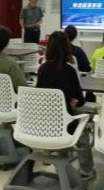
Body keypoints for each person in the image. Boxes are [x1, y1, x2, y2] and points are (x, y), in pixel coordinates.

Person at [36, 30, 93, 178]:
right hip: (65, 122)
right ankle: (86, 171)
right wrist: (71, 101)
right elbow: (80, 100)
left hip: (43, 122)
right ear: (67, 47)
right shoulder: (69, 70)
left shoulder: (42, 69)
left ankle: (61, 161)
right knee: (83, 127)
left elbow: (38, 94)